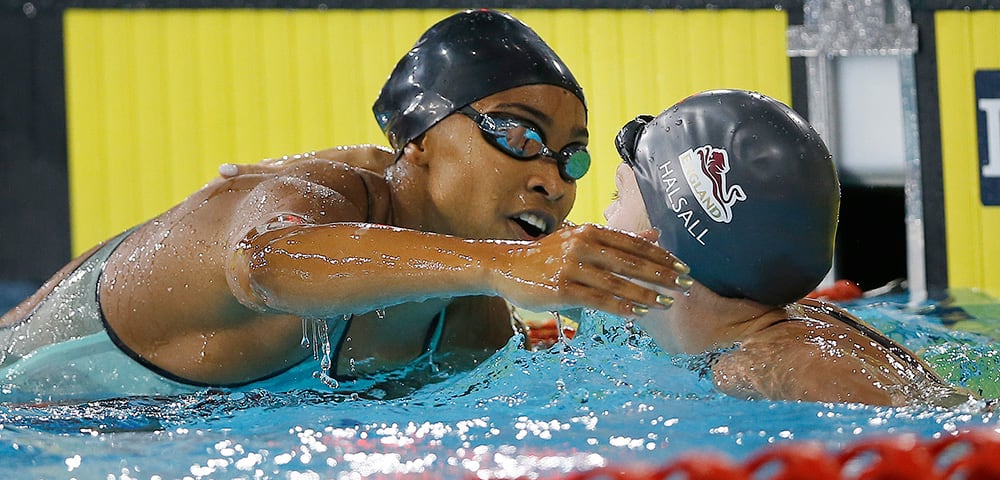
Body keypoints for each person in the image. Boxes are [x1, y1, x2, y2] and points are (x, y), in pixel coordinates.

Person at [0, 9, 689, 403]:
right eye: (516, 133)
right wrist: (505, 265)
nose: (553, 180)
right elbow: (267, 267)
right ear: (418, 140)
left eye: (571, 156)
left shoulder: (470, 321)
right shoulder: (299, 201)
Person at [605, 89, 976, 407]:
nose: (604, 217)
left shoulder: (762, 367)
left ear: (667, 244)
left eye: (617, 198)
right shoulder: (792, 326)